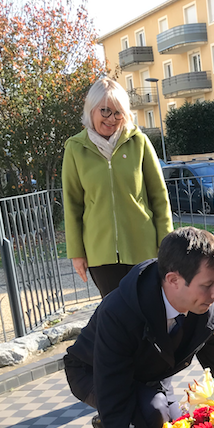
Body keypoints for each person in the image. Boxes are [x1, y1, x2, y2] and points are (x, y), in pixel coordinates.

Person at [63, 227, 214, 428]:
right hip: (92, 371)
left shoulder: (206, 303)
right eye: (207, 285)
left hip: (149, 371)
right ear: (173, 280)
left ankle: (120, 427)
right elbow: (117, 402)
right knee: (151, 413)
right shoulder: (120, 313)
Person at [62, 77, 173, 298]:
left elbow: (159, 197)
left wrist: (166, 243)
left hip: (143, 247)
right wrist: (76, 253)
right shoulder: (75, 148)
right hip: (100, 253)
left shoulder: (138, 141)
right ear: (91, 109)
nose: (112, 119)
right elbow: (72, 204)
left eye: (118, 112)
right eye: (105, 111)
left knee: (148, 311)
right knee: (116, 316)